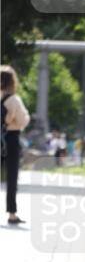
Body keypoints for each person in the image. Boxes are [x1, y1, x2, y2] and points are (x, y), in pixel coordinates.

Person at [1, 65, 30, 225]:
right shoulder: (14, 100)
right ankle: (12, 214)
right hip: (10, 139)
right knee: (12, 177)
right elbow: (22, 121)